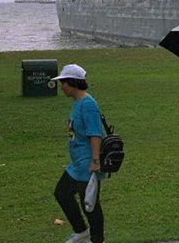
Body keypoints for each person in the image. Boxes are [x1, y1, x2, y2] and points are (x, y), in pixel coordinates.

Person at [52, 64, 106, 243]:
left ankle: (97, 239)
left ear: (74, 83)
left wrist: (96, 161)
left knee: (90, 206)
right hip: (77, 164)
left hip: (88, 163)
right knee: (62, 193)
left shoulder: (88, 104)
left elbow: (95, 134)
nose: (62, 87)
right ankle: (81, 231)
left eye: (64, 83)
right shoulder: (78, 103)